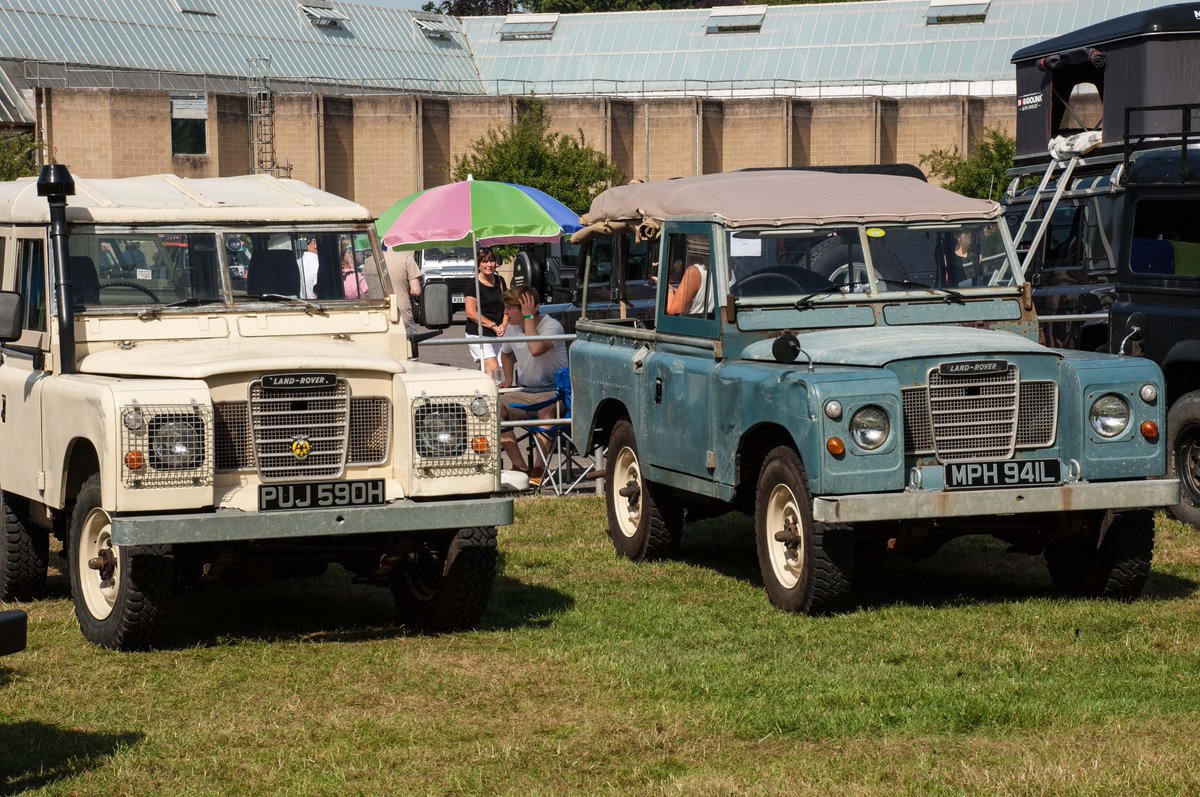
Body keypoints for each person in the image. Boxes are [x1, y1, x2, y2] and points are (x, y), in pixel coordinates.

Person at [497, 285, 569, 477]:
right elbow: (506, 354)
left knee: (544, 408)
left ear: (529, 308)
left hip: (555, 390)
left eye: (510, 307)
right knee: (491, 406)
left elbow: (536, 349)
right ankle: (520, 467)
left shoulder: (552, 326)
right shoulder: (512, 328)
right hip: (527, 390)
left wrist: (529, 318)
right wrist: (508, 377)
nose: (505, 312)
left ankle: (539, 468)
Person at [463, 247, 507, 380]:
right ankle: (494, 399)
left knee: (494, 367)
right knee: (493, 367)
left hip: (499, 333)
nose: (489, 265)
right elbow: (471, 313)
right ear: (478, 265)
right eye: (485, 261)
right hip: (479, 333)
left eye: (492, 261)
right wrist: (493, 325)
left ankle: (480, 394)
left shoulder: (500, 281)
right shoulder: (472, 285)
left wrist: (504, 325)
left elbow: (507, 306)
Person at [382, 247, 423, 338]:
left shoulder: (369, 260)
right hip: (401, 315)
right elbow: (416, 291)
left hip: (376, 316)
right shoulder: (406, 258)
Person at [666, 237, 711, 316]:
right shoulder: (724, 271)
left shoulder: (694, 272)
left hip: (692, 324)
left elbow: (673, 311)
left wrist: (666, 288)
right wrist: (673, 289)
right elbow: (697, 296)